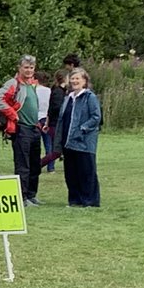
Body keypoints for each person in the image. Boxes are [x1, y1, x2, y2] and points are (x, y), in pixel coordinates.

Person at [0, 55, 43, 206]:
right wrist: (12, 114)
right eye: (26, 67)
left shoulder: (32, 84)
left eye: (31, 68)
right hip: (22, 129)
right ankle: (23, 197)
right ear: (19, 68)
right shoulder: (14, 83)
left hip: (34, 128)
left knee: (35, 164)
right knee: (23, 164)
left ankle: (32, 194)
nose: (29, 70)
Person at [56, 68, 102, 207]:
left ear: (84, 81)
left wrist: (83, 128)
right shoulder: (68, 98)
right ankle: (74, 200)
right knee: (71, 173)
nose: (74, 81)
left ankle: (90, 201)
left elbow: (96, 117)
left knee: (86, 172)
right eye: (72, 78)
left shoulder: (90, 97)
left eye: (78, 78)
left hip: (84, 142)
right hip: (68, 141)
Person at [46, 70, 68, 172]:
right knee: (57, 151)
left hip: (55, 123)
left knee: (59, 150)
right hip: (55, 124)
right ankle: (40, 164)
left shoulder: (60, 91)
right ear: (64, 78)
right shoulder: (58, 92)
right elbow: (56, 108)